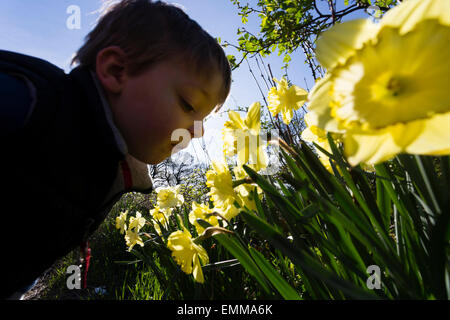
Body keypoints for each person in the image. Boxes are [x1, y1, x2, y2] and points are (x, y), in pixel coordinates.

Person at [0, 0, 231, 299]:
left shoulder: (115, 163)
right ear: (116, 70)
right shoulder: (32, 102)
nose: (198, 132)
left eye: (202, 119)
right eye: (188, 104)